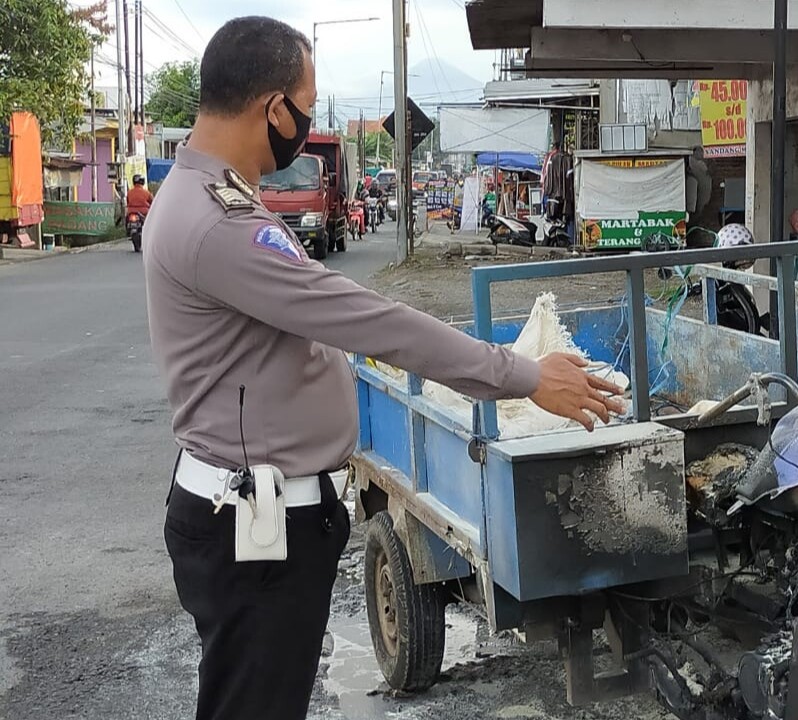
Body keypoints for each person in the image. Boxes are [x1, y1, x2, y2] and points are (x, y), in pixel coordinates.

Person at [142, 17, 624, 720]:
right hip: (253, 527)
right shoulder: (219, 222)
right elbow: (370, 321)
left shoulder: (207, 194)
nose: (305, 122)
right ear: (273, 108)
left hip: (252, 512)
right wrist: (522, 374)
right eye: (305, 106)